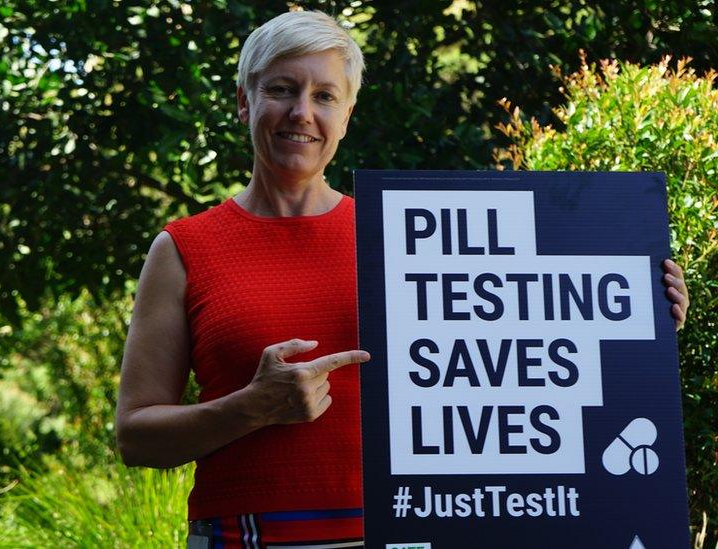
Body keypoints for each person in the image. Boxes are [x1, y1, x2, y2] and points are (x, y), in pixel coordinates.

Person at [115, 10, 691, 548]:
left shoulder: (407, 237)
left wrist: (640, 316)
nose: (301, 113)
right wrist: (251, 407)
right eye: (282, 90)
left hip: (411, 529)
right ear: (245, 102)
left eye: (324, 96)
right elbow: (136, 436)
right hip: (244, 535)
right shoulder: (183, 248)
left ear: (347, 115)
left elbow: (525, 354)